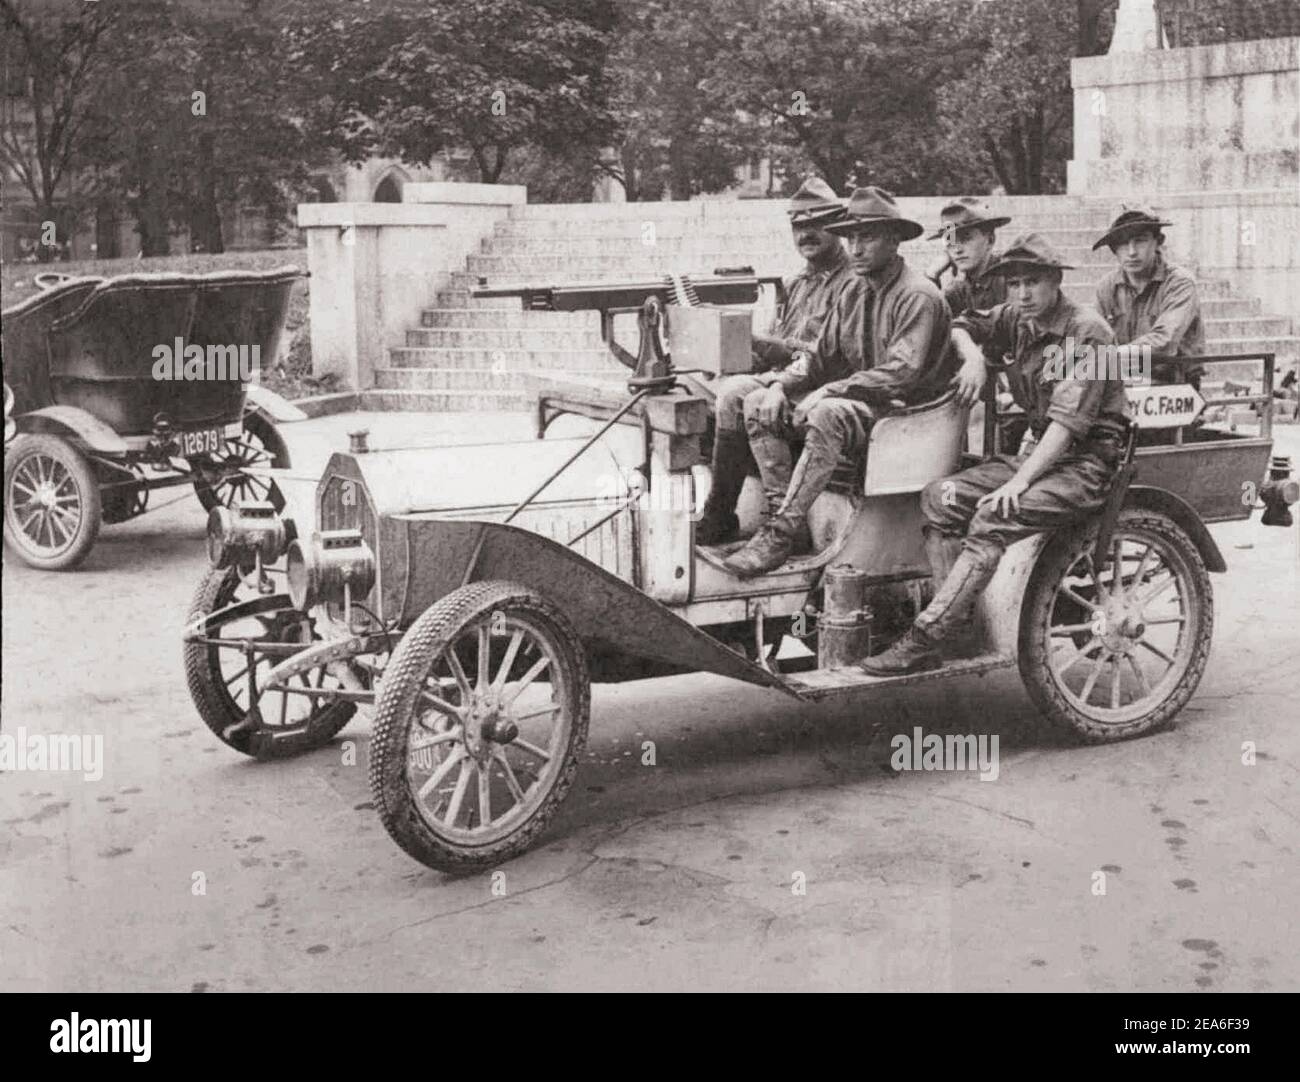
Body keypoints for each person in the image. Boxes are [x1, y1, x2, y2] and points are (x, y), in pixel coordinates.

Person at [860, 233, 1130, 675]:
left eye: (1034, 282)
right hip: (1038, 455)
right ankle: (957, 619)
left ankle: (927, 636)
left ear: (1056, 281)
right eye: (1014, 283)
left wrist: (1017, 482)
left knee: (992, 514)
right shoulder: (1016, 318)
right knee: (939, 496)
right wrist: (975, 360)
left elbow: (1066, 423)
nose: (1022, 293)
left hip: (1084, 465)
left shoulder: (1088, 332)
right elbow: (962, 324)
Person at [719, 187, 955, 578]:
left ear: (894, 240)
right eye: (852, 238)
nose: (857, 248)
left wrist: (829, 389)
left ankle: (780, 533)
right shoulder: (855, 291)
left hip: (910, 417)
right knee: (759, 399)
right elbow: (817, 357)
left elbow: (901, 373)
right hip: (870, 406)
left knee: (828, 412)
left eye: (868, 237)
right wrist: (780, 384)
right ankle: (777, 522)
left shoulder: (918, 295)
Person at [695, 177, 853, 544]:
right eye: (798, 226)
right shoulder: (797, 283)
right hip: (787, 377)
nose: (805, 234)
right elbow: (777, 346)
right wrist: (738, 351)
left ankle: (744, 517)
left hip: (820, 385)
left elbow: (825, 356)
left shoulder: (851, 283)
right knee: (692, 387)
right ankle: (722, 510)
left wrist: (767, 349)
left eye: (816, 224)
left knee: (735, 395)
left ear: (839, 226)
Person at [1092, 204, 1205, 388]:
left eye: (1140, 240)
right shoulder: (1106, 287)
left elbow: (1165, 342)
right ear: (1114, 249)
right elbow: (1094, 338)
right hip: (1123, 384)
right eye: (1122, 243)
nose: (1131, 252)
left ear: (1158, 242)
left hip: (1174, 388)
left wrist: (1106, 359)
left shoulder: (1179, 283)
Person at [924, 196, 1011, 317]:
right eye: (951, 241)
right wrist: (932, 274)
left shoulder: (1012, 279)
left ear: (990, 240)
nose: (957, 250)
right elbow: (926, 317)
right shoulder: (959, 290)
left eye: (966, 238)